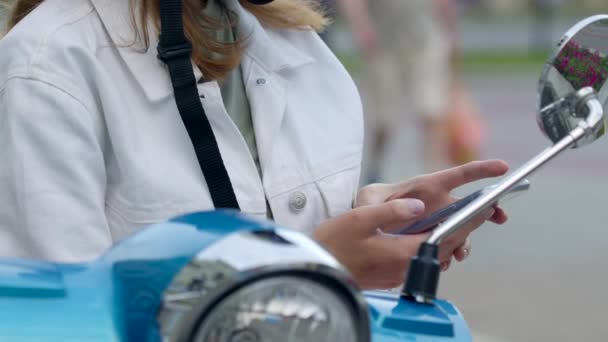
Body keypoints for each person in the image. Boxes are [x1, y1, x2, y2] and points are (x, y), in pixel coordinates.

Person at [0, 0, 508, 290]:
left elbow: (256, 211)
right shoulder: (47, 68)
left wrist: (370, 215)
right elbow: (65, 315)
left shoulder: (292, 42)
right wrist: (317, 267)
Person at [336, 0, 487, 179]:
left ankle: (434, 175)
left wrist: (451, 33)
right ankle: (375, 167)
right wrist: (361, 25)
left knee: (431, 110)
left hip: (427, 40)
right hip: (383, 44)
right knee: (384, 119)